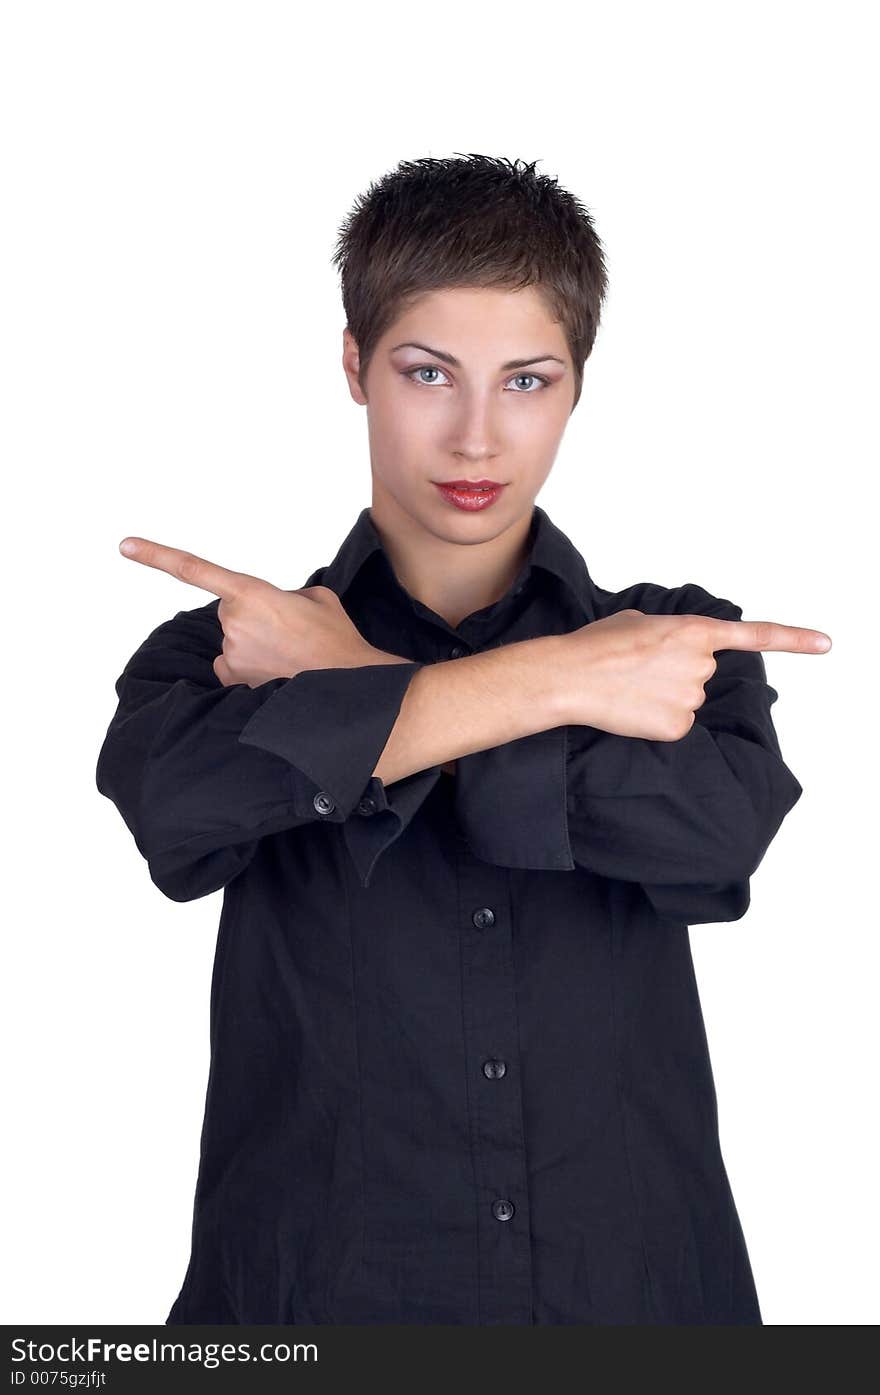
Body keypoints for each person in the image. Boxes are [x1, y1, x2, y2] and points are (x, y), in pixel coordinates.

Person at [96, 154, 830, 1325]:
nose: (478, 435)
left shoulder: (671, 648)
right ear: (355, 367)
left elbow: (715, 832)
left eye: (526, 380)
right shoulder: (222, 653)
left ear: (577, 385)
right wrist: (547, 689)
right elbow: (179, 810)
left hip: (636, 1308)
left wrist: (353, 698)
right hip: (309, 1311)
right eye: (428, 372)